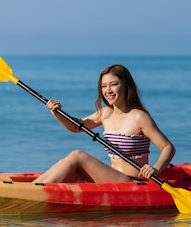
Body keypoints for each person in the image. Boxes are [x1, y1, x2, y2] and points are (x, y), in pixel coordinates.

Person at [33, 64, 175, 184]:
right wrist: (57, 113)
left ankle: (35, 191)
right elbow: (77, 126)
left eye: (114, 84)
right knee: (64, 163)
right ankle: (33, 187)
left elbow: (168, 147)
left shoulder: (139, 117)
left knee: (77, 155)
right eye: (104, 86)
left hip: (132, 181)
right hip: (112, 177)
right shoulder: (106, 113)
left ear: (126, 86)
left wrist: (155, 169)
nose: (108, 91)